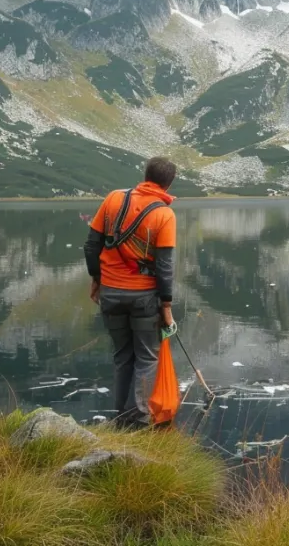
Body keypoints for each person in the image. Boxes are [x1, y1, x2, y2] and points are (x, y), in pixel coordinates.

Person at [83, 157, 178, 428]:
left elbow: (91, 245)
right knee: (146, 357)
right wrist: (167, 306)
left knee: (122, 355)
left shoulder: (113, 198)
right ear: (169, 183)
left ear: (145, 174)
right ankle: (136, 421)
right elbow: (164, 265)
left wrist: (97, 279)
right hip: (144, 297)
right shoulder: (164, 214)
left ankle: (121, 418)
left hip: (110, 294)